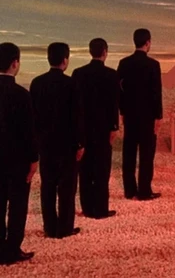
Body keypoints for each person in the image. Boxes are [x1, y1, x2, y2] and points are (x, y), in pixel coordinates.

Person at [30, 43, 84, 239]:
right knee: (67, 188)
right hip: (67, 144)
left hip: (45, 143)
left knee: (48, 186)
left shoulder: (37, 83)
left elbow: (33, 116)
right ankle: (65, 227)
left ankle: (49, 226)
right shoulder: (71, 84)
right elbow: (77, 117)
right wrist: (80, 143)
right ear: (65, 60)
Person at [72, 38, 119, 219]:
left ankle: (87, 206)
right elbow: (114, 104)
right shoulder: (111, 74)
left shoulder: (78, 73)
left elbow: (75, 104)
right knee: (102, 169)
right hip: (103, 128)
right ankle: (100, 208)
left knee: (85, 169)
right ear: (105, 52)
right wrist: (114, 126)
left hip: (83, 127)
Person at [0, 43, 38, 265]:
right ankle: (12, 249)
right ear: (15, 63)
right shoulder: (21, 94)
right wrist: (34, 159)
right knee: (17, 205)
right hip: (17, 160)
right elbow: (28, 132)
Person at [117, 29, 162, 201]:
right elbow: (156, 93)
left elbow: (119, 90)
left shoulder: (124, 63)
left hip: (130, 114)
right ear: (148, 42)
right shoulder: (153, 65)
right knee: (146, 153)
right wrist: (158, 116)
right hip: (147, 115)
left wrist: (122, 110)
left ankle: (129, 190)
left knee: (128, 152)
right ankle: (144, 190)